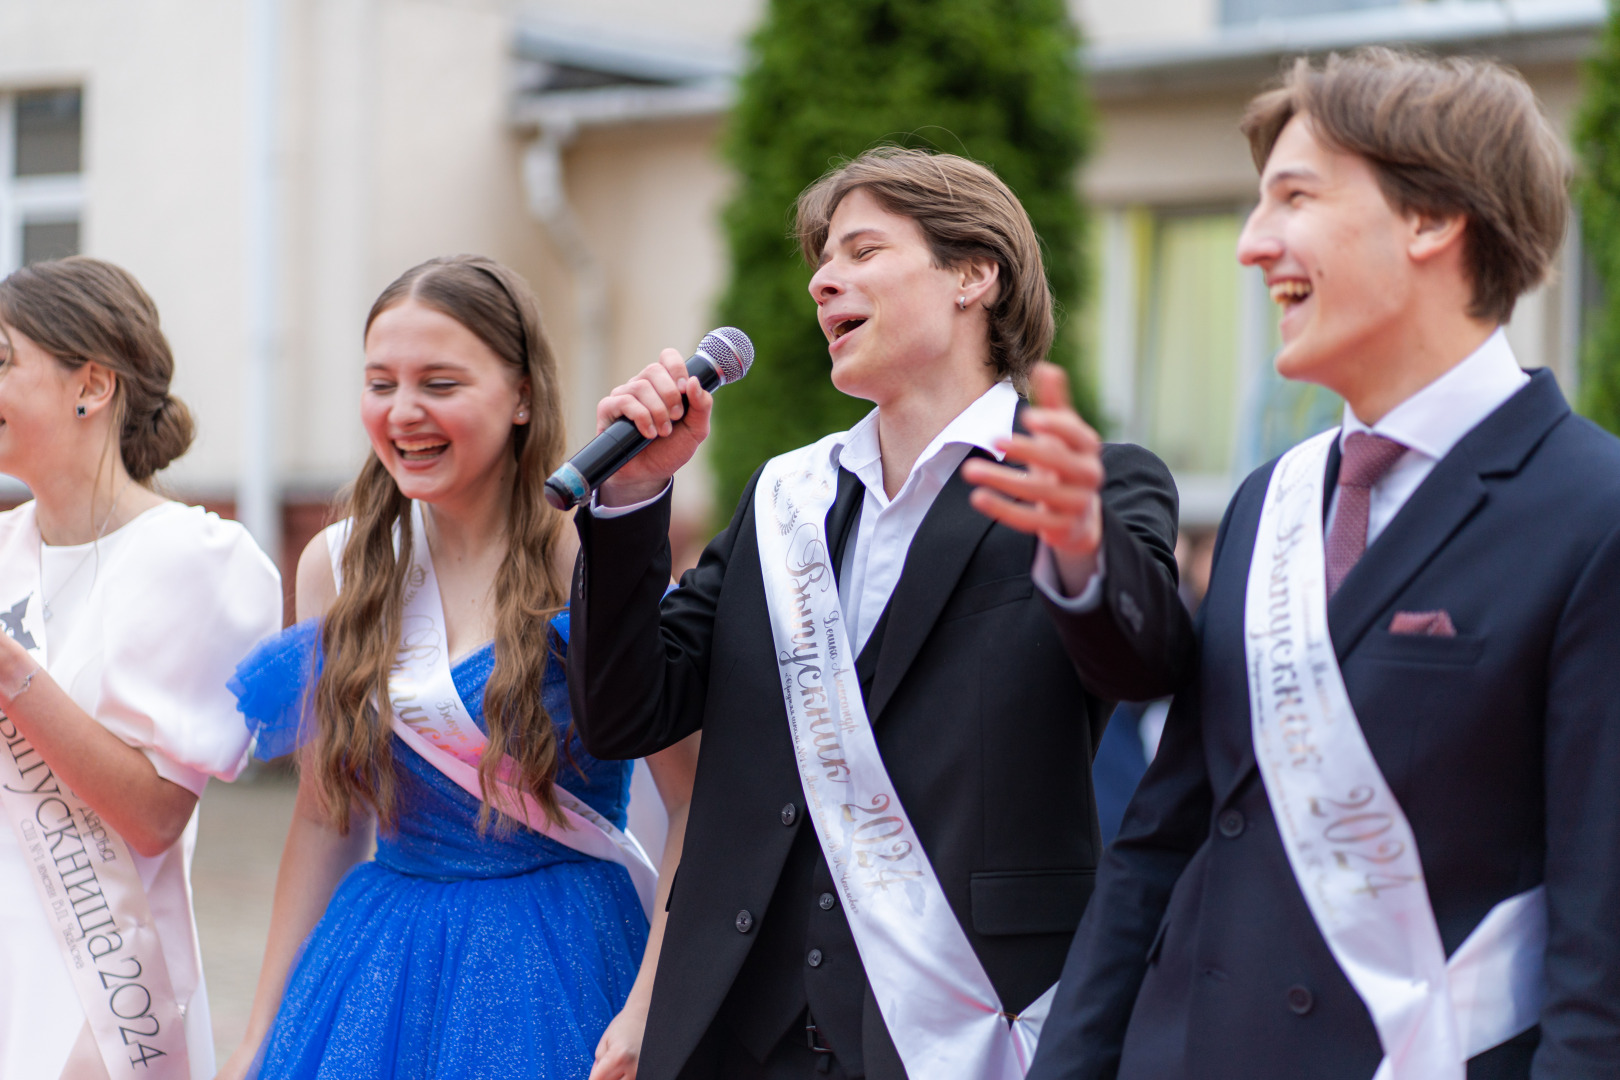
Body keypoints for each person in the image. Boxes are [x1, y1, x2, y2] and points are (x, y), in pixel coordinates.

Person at [995, 48, 1620, 1080]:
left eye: (1294, 197)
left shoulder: (1593, 512)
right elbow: (1163, 838)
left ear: (1432, 219)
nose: (1251, 245)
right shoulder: (1271, 501)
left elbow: (1602, 961)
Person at [568, 148, 1195, 1080]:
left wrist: (1082, 544)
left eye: (863, 251)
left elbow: (1141, 667)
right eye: (823, 262)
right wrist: (626, 508)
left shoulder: (1086, 486)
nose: (825, 280)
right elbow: (626, 713)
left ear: (975, 275)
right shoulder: (785, 498)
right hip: (742, 1024)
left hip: (966, 1019)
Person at [217, 255, 697, 1080]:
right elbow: (327, 816)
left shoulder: (587, 554)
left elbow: (694, 800)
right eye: (380, 383)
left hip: (563, 956)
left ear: (520, 396)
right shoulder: (339, 564)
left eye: (440, 383)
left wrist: (649, 1003)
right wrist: (260, 1033)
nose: (404, 412)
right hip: (378, 959)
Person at [0, 257, 283, 1080]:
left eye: (3, 360)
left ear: (91, 384)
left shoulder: (194, 560)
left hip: (100, 989)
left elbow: (155, 814)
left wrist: (15, 675)